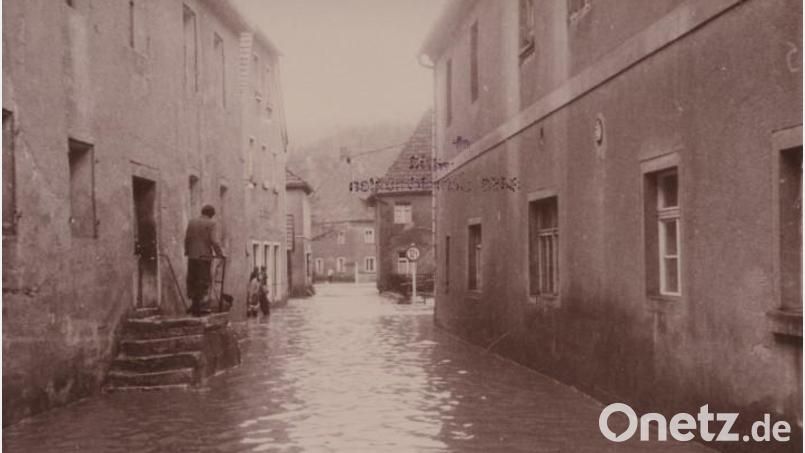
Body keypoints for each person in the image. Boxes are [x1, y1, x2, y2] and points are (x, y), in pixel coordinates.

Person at [184, 204, 224, 316]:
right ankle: (199, 306)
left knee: (192, 279)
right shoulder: (212, 223)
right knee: (203, 280)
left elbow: (187, 239)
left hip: (192, 256)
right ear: (211, 215)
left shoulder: (191, 222)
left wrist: (187, 251)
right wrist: (220, 254)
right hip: (204, 257)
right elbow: (214, 241)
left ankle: (194, 304)